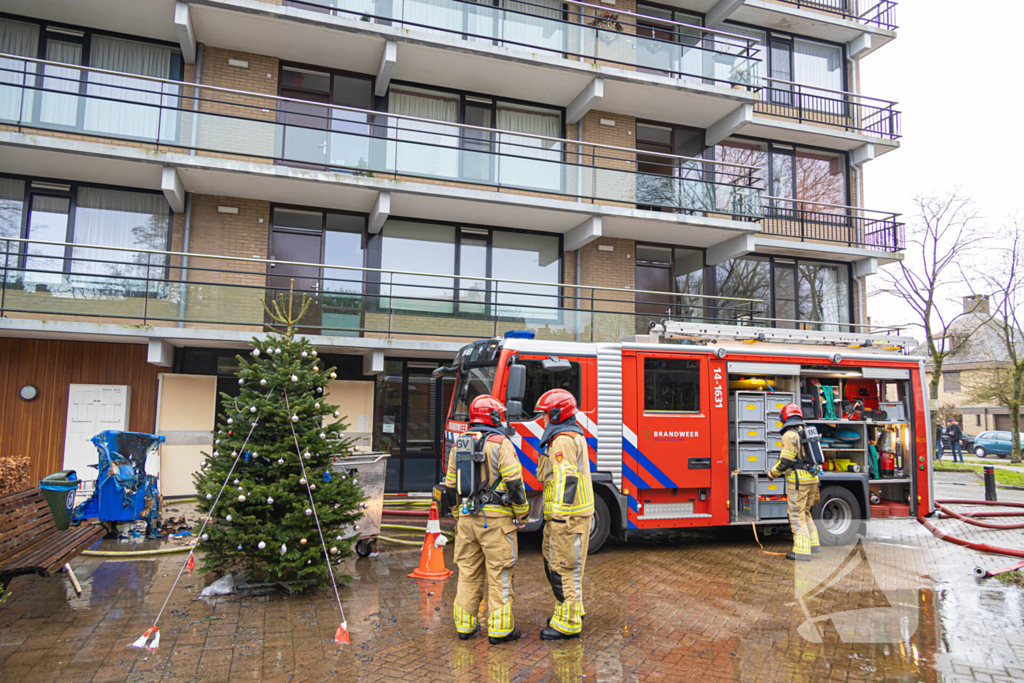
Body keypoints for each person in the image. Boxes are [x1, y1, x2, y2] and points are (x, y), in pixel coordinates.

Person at [443, 395, 528, 644]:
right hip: (496, 522)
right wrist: (521, 514)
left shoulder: (459, 444)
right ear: (492, 417)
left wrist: (460, 515)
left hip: (467, 520)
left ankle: (465, 626)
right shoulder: (502, 443)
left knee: (468, 572)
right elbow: (514, 483)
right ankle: (500, 630)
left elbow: (450, 486)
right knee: (500, 573)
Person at [534, 388, 594, 640]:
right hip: (569, 516)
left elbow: (567, 479)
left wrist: (559, 516)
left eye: (545, 415)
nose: (543, 420)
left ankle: (567, 623)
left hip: (566, 519)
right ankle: (571, 609)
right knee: (566, 566)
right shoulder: (569, 436)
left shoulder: (563, 440)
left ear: (557, 414)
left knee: (562, 568)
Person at [768, 403, 821, 562]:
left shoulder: (789, 435)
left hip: (798, 482)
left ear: (785, 417)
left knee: (796, 516)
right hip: (812, 479)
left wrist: (772, 473)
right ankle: (813, 544)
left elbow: (785, 461)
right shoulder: (805, 432)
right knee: (806, 513)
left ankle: (802, 551)